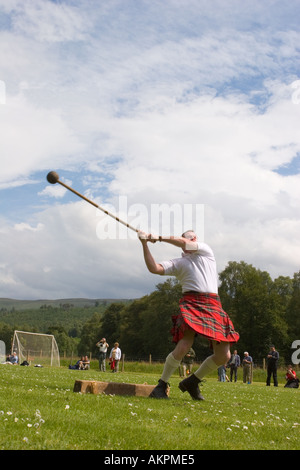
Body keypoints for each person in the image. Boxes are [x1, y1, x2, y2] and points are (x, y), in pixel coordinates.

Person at [138, 229, 239, 400]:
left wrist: (159, 237)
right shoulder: (179, 263)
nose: (188, 243)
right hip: (191, 302)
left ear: (195, 239)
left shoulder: (206, 251)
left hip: (213, 304)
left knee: (224, 355)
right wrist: (145, 244)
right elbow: (154, 268)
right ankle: (161, 385)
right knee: (185, 345)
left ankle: (192, 382)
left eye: (191, 239)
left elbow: (185, 243)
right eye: (186, 240)